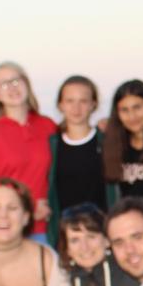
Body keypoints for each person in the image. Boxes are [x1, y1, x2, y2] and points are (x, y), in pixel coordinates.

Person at [0, 62, 58, 239]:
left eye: (16, 81)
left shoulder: (48, 126)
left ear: (26, 83)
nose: (12, 88)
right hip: (8, 228)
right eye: (4, 84)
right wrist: (26, 207)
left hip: (45, 226)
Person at [46, 75, 110, 226]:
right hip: (64, 232)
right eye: (70, 101)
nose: (76, 108)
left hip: (102, 230)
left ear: (93, 104)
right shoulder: (52, 145)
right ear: (60, 105)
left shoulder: (106, 141)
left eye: (83, 101)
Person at [102, 79, 143, 212]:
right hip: (131, 223)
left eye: (137, 107)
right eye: (124, 110)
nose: (132, 116)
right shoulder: (114, 146)